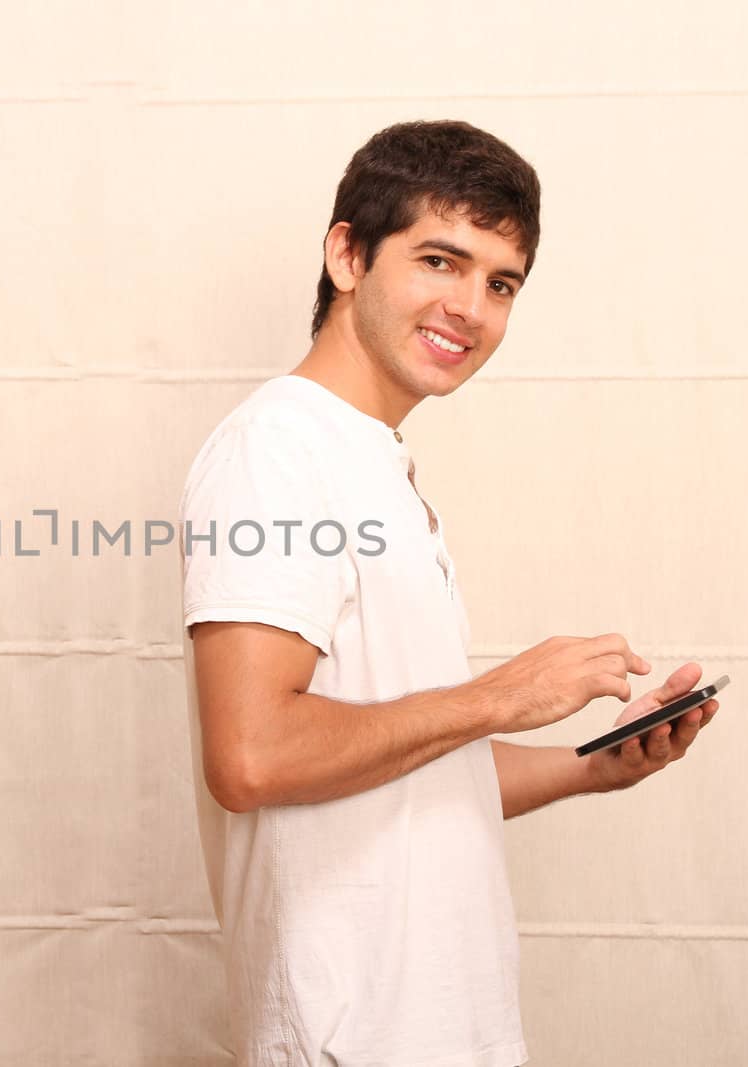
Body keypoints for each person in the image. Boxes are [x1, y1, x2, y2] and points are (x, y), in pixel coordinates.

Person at [178, 120, 720, 1067]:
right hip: (356, 1038)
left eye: (501, 282)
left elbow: (405, 762)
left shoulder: (375, 465)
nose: (470, 306)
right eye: (441, 260)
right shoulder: (277, 452)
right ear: (347, 254)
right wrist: (499, 694)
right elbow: (252, 754)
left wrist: (590, 764)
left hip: (446, 1031)